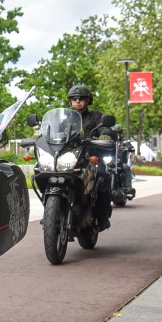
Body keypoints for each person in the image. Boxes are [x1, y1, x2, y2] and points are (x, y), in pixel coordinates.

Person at [65, 84, 112, 229]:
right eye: (74, 98)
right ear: (70, 101)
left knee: (102, 175)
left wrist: (106, 133)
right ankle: (51, 209)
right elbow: (52, 131)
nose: (77, 101)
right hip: (69, 157)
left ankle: (102, 215)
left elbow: (105, 127)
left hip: (91, 157)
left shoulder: (95, 116)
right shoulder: (65, 117)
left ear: (87, 100)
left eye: (81, 98)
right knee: (48, 174)